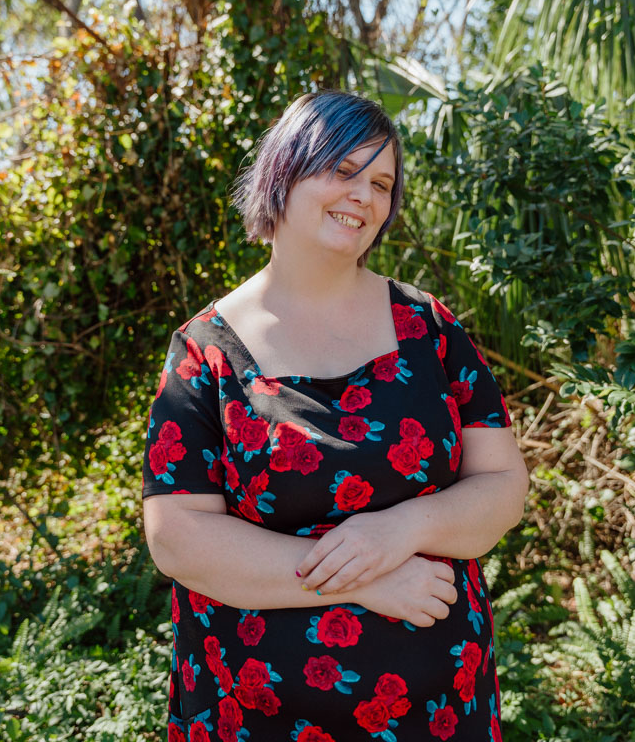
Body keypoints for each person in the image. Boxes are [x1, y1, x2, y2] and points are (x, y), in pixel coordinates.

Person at [142, 90, 530, 742]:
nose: (364, 196)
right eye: (343, 171)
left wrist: (400, 529)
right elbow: (178, 539)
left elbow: (502, 485)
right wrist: (355, 579)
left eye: (381, 182)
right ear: (284, 172)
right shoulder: (205, 352)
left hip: (439, 713)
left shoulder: (429, 327)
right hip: (257, 716)